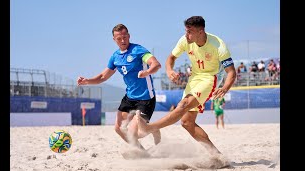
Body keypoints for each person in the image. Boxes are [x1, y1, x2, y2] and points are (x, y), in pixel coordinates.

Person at [136, 16, 236, 156]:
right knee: (187, 122)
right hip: (194, 78)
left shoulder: (218, 45)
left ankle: (150, 128)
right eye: (186, 31)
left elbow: (231, 72)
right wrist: (170, 70)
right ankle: (216, 155)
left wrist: (225, 88)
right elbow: (171, 58)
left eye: (190, 32)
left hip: (210, 78)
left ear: (200, 32)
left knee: (183, 105)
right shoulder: (185, 40)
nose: (186, 35)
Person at [77, 24, 162, 149]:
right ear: (114, 40)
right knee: (119, 129)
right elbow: (102, 77)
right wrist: (87, 81)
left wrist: (147, 72)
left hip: (145, 98)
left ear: (128, 36)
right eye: (119, 38)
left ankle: (153, 129)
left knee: (134, 132)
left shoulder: (138, 50)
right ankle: (143, 153)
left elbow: (156, 64)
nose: (123, 41)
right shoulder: (115, 57)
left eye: (125, 37)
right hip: (129, 97)